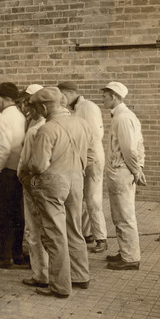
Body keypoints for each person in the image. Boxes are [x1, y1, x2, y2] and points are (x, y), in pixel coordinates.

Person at [24, 87, 96, 298]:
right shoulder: (82, 123)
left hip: (53, 183)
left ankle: (61, 286)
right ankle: (81, 276)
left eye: (37, 107)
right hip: (76, 180)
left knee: (55, 234)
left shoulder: (47, 129)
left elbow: (37, 165)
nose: (37, 111)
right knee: (75, 228)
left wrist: (31, 172)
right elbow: (91, 156)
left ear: (45, 106)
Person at [58, 81, 107, 253]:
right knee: (84, 198)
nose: (61, 99)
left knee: (93, 200)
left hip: (92, 158)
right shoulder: (76, 109)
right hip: (83, 158)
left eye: (62, 95)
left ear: (70, 92)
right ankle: (88, 234)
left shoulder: (88, 107)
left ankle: (101, 238)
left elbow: (95, 135)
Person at [101, 81, 146, 271]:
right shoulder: (122, 116)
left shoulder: (123, 118)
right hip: (120, 170)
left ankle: (130, 258)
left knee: (124, 215)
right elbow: (138, 146)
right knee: (120, 215)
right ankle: (126, 251)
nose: (103, 99)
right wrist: (138, 168)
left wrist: (136, 170)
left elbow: (130, 149)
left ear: (114, 96)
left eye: (105, 95)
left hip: (121, 171)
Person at [0, 82, 26, 267]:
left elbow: (3, 147)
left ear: (1, 99)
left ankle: (4, 257)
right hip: (18, 171)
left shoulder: (4, 117)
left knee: (2, 216)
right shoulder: (20, 115)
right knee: (17, 214)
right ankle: (17, 253)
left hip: (5, 172)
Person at [17, 87, 49, 288]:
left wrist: (21, 176)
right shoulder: (49, 125)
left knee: (33, 229)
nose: (25, 107)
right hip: (48, 183)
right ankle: (48, 271)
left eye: (28, 103)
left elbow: (26, 161)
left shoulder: (35, 129)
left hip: (33, 181)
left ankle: (40, 275)